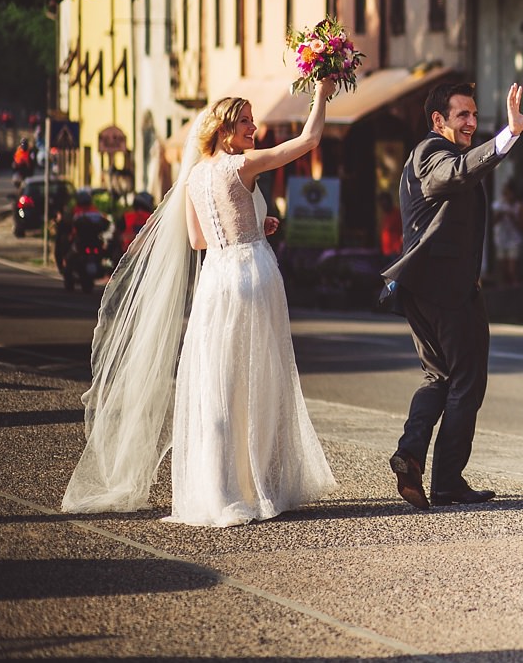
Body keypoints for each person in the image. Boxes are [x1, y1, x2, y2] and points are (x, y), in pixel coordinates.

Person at [62, 74, 337, 527]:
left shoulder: (193, 177)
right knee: (261, 380)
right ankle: (261, 483)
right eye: (245, 122)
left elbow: (195, 240)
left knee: (219, 384)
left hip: (217, 279)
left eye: (251, 121)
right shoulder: (240, 165)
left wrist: (249, 223)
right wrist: (321, 95)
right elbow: (307, 140)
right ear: (225, 131)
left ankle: (219, 489)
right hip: (253, 272)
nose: (253, 128)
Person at [382, 80, 523, 509]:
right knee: (466, 382)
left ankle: (410, 455)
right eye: (462, 115)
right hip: (446, 291)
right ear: (438, 120)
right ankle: (448, 481)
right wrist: (509, 136)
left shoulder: (440, 153)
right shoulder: (433, 154)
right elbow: (456, 173)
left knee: (439, 378)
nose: (471, 122)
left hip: (424, 287)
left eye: (474, 115)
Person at [490, 181, 523, 285]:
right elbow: (492, 222)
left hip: (514, 240)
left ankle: (515, 290)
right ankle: (504, 291)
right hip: (501, 239)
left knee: (512, 269)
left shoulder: (519, 206)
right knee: (502, 269)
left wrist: (513, 218)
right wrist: (499, 215)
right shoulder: (499, 204)